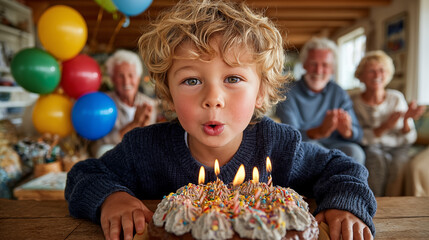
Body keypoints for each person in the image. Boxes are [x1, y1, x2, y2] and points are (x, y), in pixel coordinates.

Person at [65, 1, 376, 240]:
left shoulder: (280, 145)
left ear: (261, 92)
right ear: (169, 94)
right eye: (191, 81)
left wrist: (343, 203)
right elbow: (85, 173)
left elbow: (343, 168)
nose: (213, 98)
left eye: (233, 78)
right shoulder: (144, 147)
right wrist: (112, 198)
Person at [276, 37, 366, 165]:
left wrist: (348, 132)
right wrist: (320, 131)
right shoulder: (287, 92)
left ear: (332, 69)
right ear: (304, 65)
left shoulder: (338, 92)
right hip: (304, 146)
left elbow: (358, 135)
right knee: (314, 150)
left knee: (355, 152)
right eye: (313, 64)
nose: (318, 71)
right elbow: (289, 137)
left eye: (325, 65)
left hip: (335, 145)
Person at [351, 50, 426, 197]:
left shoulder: (396, 98)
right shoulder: (354, 102)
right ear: (361, 76)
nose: (378, 75)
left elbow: (408, 136)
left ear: (388, 74)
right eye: (372, 71)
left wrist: (406, 120)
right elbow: (357, 135)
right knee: (375, 159)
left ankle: (394, 204)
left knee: (399, 165)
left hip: (398, 146)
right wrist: (385, 127)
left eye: (382, 70)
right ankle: (374, 201)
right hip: (371, 146)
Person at [90, 50, 157, 158]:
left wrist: (145, 128)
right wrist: (134, 124)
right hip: (112, 159)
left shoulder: (148, 103)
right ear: (112, 79)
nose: (126, 82)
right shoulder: (103, 103)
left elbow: (149, 144)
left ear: (138, 78)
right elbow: (101, 144)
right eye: (120, 76)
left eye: (131, 75)